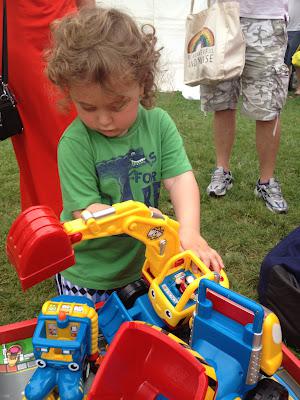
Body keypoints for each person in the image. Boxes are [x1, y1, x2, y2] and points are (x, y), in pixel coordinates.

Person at [45, 5, 224, 303]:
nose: (103, 119)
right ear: (69, 91)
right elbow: (86, 211)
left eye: (117, 106)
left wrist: (189, 232)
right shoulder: (75, 143)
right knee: (92, 340)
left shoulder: (159, 125)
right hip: (88, 272)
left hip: (141, 264)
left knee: (138, 331)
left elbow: (180, 179)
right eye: (88, 107)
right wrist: (141, 216)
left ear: (142, 83)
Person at [0, 0, 94, 217]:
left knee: (71, 132)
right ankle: (46, 223)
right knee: (35, 141)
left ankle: (63, 220)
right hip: (21, 34)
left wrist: (93, 27)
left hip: (64, 30)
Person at [202, 0, 289, 214]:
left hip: (266, 17)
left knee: (267, 105)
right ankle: (222, 171)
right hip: (220, 16)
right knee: (222, 101)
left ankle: (266, 182)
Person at [285, 0, 300, 95]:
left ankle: (299, 88)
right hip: (282, 26)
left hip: (296, 28)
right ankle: (283, 87)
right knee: (284, 61)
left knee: (297, 60)